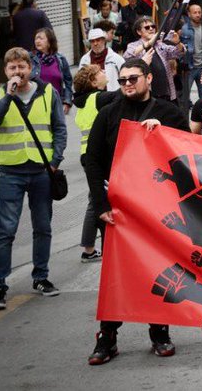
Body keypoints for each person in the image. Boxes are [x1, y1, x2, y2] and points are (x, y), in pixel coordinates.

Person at [85, 60, 188, 364]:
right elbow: (91, 162)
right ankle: (108, 336)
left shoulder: (169, 113)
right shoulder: (108, 114)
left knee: (156, 268)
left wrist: (163, 134)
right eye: (122, 80)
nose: (128, 84)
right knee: (115, 273)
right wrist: (101, 206)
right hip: (117, 209)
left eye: (133, 78)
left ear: (149, 78)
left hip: (156, 208)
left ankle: (159, 330)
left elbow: (189, 151)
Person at [0, 48, 68, 311]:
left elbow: (59, 128)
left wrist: (55, 162)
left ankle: (40, 277)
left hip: (41, 172)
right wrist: (8, 96)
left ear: (30, 68)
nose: (17, 72)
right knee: (5, 230)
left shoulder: (48, 93)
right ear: (5, 71)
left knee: (43, 227)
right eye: (12, 68)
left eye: (21, 67)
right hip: (11, 172)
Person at [71, 65, 118, 263]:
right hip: (96, 156)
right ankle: (88, 249)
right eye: (100, 72)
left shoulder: (83, 103)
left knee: (94, 198)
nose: (104, 73)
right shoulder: (97, 99)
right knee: (95, 202)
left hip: (87, 155)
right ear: (92, 81)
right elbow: (122, 95)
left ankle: (89, 249)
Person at [124, 17, 186, 103]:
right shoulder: (133, 45)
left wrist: (177, 43)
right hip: (147, 95)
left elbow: (178, 53)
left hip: (166, 93)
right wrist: (149, 43)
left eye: (153, 26)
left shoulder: (160, 44)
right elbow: (128, 55)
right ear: (139, 32)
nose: (151, 29)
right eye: (147, 27)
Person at [31, 27, 73, 111]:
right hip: (35, 104)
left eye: (41, 38)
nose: (37, 41)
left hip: (56, 104)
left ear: (49, 42)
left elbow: (68, 82)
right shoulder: (29, 58)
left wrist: (67, 101)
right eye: (36, 38)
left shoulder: (60, 59)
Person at [179, 2, 202, 109]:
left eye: (199, 12)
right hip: (189, 68)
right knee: (185, 96)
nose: (198, 15)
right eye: (195, 12)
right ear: (189, 14)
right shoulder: (185, 29)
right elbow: (179, 49)